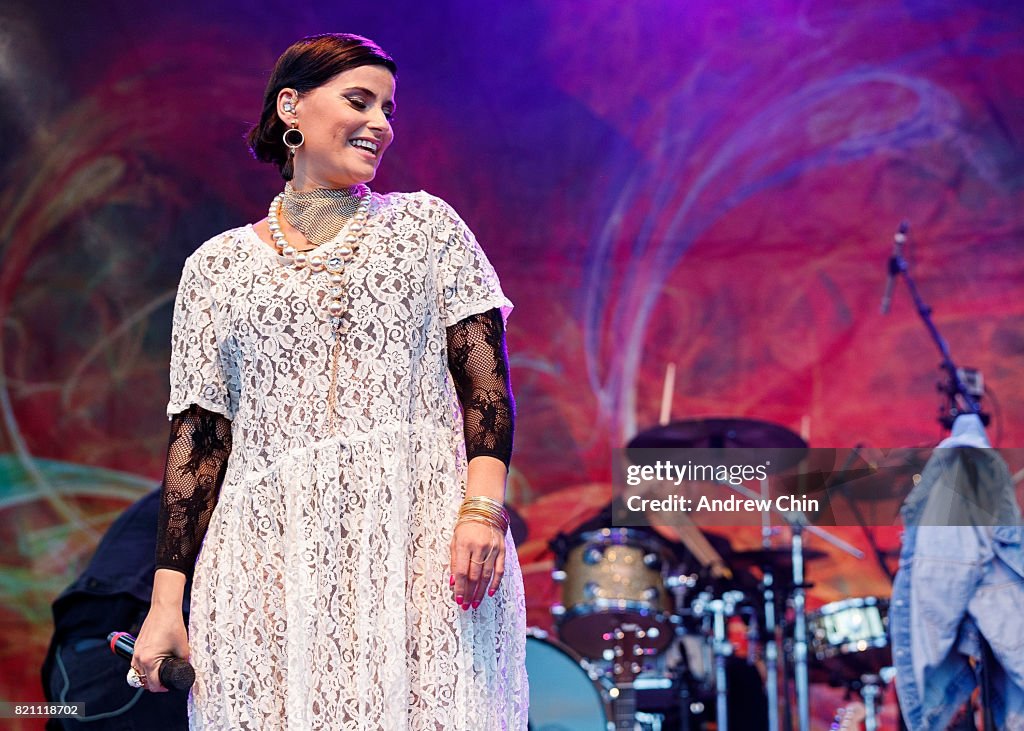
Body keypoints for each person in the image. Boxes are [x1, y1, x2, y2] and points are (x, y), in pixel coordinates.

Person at [131, 33, 528, 729]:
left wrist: (483, 508)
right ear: (292, 107)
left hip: (418, 543)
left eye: (389, 108)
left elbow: (485, 386)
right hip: (268, 559)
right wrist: (168, 603)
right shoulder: (215, 268)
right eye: (359, 100)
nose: (381, 123)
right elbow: (197, 443)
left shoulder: (426, 227)